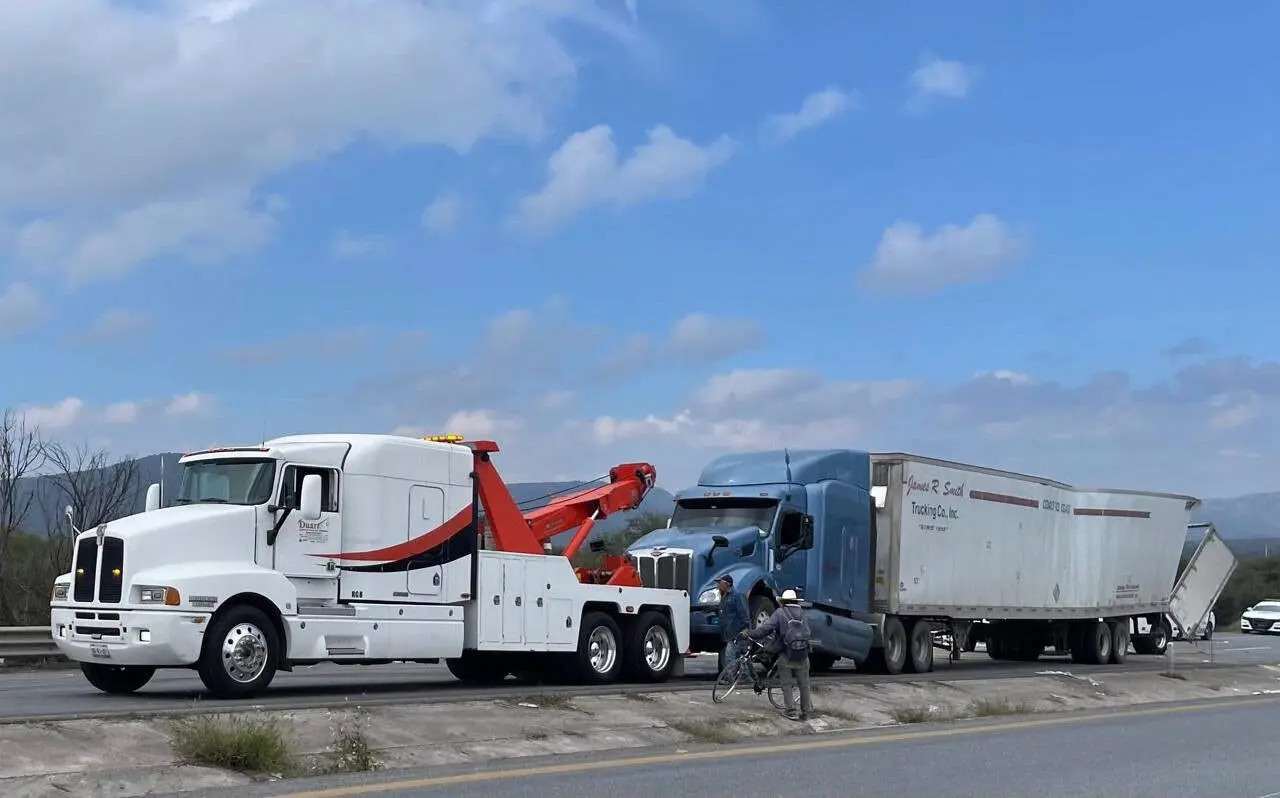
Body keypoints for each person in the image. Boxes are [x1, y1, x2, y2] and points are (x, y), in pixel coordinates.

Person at [741, 589, 813, 721]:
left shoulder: (780, 613)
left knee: (786, 684)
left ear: (783, 601)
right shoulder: (803, 614)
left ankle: (791, 711)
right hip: (803, 655)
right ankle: (806, 712)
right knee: (804, 685)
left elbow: (765, 629)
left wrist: (749, 633)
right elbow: (808, 632)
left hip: (786, 655)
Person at [716, 575, 750, 668]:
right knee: (741, 659)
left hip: (738, 633)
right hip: (730, 633)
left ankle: (732, 679)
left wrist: (746, 628)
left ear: (727, 584)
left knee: (730, 656)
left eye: (720, 583)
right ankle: (746, 679)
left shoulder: (737, 596)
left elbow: (744, 613)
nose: (718, 585)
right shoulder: (725, 597)